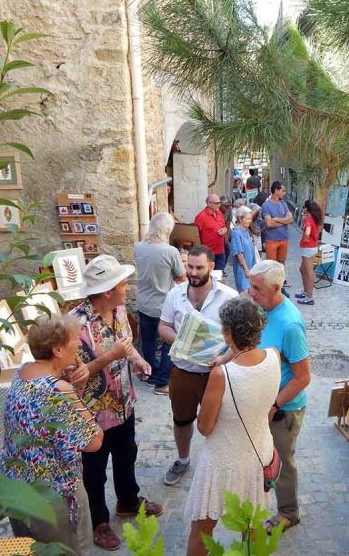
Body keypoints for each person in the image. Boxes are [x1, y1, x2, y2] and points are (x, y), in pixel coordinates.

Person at [70, 255, 162, 551]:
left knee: (126, 455)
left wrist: (137, 360)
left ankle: (127, 501)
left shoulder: (119, 310)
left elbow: (126, 345)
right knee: (93, 470)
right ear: (107, 290)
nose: (127, 288)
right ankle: (99, 522)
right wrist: (110, 357)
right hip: (93, 414)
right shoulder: (75, 324)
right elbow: (76, 377)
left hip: (124, 403)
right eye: (123, 283)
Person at [0, 315, 103, 555]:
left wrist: (76, 388)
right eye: (74, 339)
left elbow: (53, 423)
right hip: (53, 496)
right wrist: (74, 395)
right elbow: (94, 442)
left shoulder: (23, 373)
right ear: (57, 349)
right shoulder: (57, 390)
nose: (79, 343)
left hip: (17, 490)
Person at [185, 297, 281, 556]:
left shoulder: (222, 375)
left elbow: (204, 427)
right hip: (259, 454)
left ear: (228, 333)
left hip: (223, 460)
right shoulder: (274, 356)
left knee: (202, 530)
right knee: (251, 527)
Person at [158, 245, 238, 486]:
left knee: (219, 421)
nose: (193, 272)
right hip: (183, 371)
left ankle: (218, 465)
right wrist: (185, 342)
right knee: (181, 420)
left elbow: (238, 339)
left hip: (217, 373)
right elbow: (163, 327)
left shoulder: (229, 297)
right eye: (189, 266)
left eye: (199, 267)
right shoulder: (175, 294)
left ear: (211, 267)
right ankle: (183, 460)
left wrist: (223, 358)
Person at [248, 260, 310, 532]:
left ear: (275, 289)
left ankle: (289, 513)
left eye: (256, 288)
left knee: (282, 461)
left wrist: (275, 404)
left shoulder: (290, 324)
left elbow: (303, 377)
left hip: (284, 410)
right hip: (264, 405)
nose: (250, 292)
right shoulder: (264, 308)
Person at [134, 212, 186, 396]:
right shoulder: (169, 251)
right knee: (168, 343)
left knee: (147, 341)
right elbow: (181, 276)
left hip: (143, 301)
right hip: (163, 304)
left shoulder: (139, 247)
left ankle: (151, 374)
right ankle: (163, 383)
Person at [295, 200, 322, 306]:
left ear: (307, 209)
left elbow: (307, 231)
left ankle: (309, 297)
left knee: (309, 272)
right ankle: (306, 292)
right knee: (302, 269)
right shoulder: (315, 219)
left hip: (308, 247)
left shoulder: (309, 220)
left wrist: (305, 238)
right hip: (313, 246)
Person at [261, 182, 294, 268]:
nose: (285, 193)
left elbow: (291, 219)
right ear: (276, 191)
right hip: (271, 239)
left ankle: (281, 280)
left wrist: (276, 219)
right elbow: (268, 224)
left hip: (284, 238)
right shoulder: (266, 205)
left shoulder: (283, 203)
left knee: (282, 262)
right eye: (283, 191)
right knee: (271, 265)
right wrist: (285, 222)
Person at [194, 194, 228, 270]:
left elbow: (224, 226)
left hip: (220, 250)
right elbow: (195, 234)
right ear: (209, 204)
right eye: (217, 203)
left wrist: (225, 230)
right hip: (208, 253)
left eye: (220, 203)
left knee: (219, 274)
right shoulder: (201, 217)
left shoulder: (219, 213)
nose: (219, 205)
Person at [230, 205, 258, 293]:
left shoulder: (246, 231)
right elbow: (239, 252)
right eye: (247, 219)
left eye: (250, 219)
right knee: (245, 292)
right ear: (240, 219)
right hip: (243, 268)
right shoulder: (236, 233)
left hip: (251, 266)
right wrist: (246, 269)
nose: (250, 221)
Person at [220, 196, 233, 270]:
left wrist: (226, 236)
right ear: (220, 205)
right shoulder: (216, 210)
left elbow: (228, 222)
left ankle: (222, 268)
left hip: (225, 230)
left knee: (227, 248)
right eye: (226, 206)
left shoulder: (229, 209)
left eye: (229, 206)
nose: (228, 208)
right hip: (217, 231)